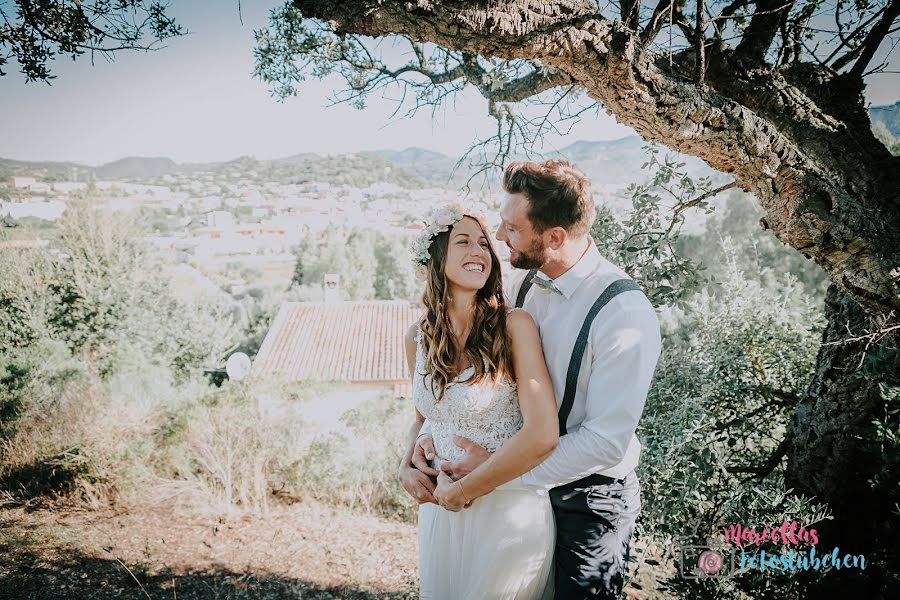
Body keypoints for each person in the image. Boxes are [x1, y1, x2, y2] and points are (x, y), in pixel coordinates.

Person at [412, 160, 662, 599]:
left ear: (554, 238)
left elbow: (605, 442)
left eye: (511, 228)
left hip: (590, 499)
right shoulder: (522, 283)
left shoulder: (624, 315)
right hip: (511, 493)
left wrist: (489, 475)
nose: (499, 237)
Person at [398, 204, 560, 599]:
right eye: (463, 242)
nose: (479, 251)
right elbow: (425, 415)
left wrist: (466, 490)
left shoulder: (514, 327)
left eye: (485, 244)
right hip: (442, 515)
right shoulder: (417, 338)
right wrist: (405, 463)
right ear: (436, 259)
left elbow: (543, 434)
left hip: (506, 512)